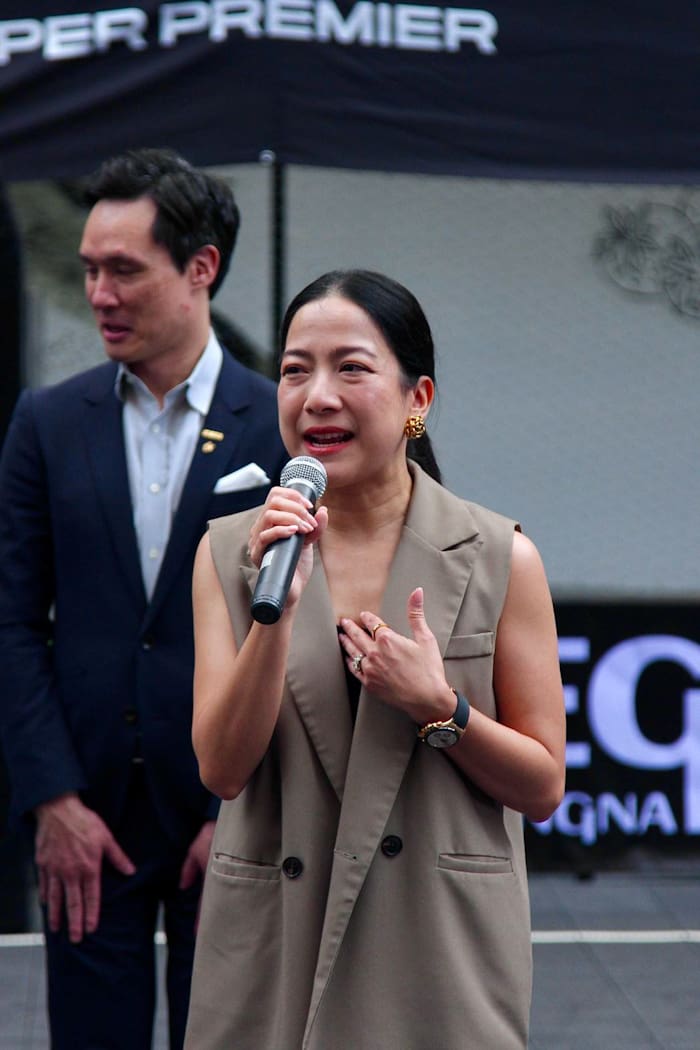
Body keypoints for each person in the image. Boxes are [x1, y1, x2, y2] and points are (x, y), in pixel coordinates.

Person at [183, 269, 566, 1050]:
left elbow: (542, 786)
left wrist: (440, 708)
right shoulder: (231, 553)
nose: (317, 396)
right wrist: (276, 616)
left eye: (351, 368)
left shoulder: (501, 557)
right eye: (295, 370)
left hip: (435, 952)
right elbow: (221, 769)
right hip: (276, 944)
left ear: (416, 398)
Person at [0, 147, 288, 1049]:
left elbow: (308, 631)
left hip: (229, 809)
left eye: (124, 269)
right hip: (87, 816)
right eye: (89, 269)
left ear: (201, 268)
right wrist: (52, 799)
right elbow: (12, 622)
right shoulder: (46, 423)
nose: (99, 294)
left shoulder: (279, 424)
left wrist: (243, 807)